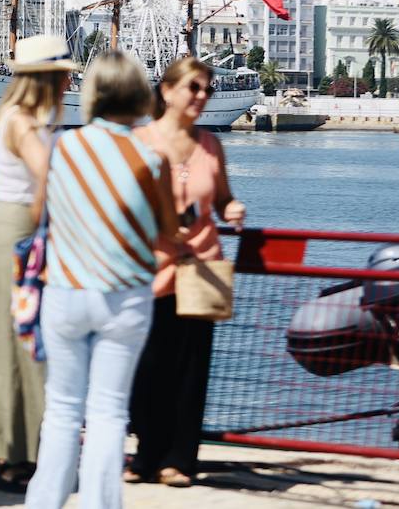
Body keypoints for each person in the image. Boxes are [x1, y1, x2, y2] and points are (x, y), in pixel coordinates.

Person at [25, 51, 182, 509]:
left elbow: (39, 216)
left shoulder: (61, 146)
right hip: (126, 293)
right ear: (139, 93)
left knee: (62, 410)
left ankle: (44, 502)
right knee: (109, 411)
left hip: (67, 288)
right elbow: (169, 230)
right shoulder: (152, 155)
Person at [127, 57, 247, 487]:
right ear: (167, 91)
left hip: (200, 270)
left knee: (191, 369)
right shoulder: (141, 141)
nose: (201, 97)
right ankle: (146, 453)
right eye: (193, 88)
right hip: (150, 269)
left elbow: (222, 200)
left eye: (206, 90)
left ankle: (179, 460)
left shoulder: (211, 145)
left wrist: (233, 209)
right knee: (145, 368)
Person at [0, 35, 76, 493]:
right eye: (64, 73)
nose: (70, 79)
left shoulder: (8, 119)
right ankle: (21, 454)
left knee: (6, 340)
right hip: (22, 232)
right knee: (27, 344)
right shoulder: (27, 124)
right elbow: (50, 180)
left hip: (5, 229)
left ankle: (9, 449)